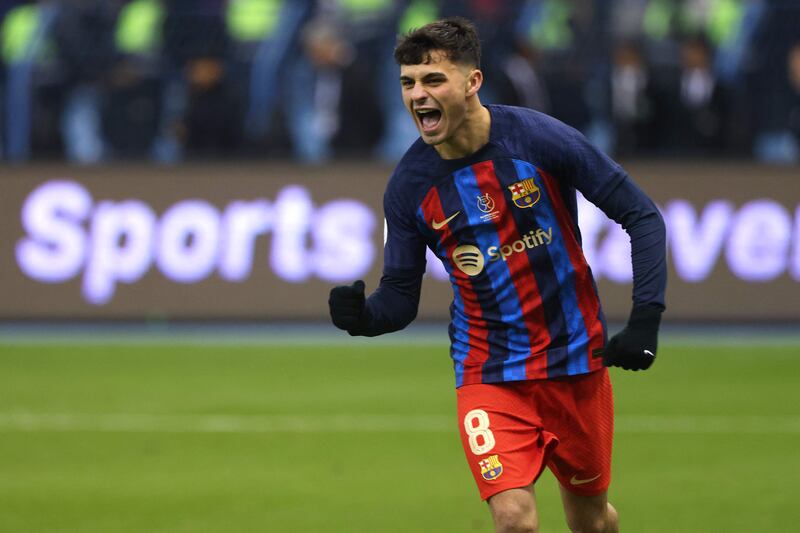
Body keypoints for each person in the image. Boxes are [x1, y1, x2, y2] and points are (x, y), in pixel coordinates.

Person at [328, 17, 666, 533]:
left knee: (591, 521)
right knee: (514, 520)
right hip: (489, 371)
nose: (418, 94)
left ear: (472, 82)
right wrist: (363, 318)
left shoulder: (540, 140)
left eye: (433, 80)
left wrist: (645, 320)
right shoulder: (408, 186)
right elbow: (399, 295)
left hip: (575, 361)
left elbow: (641, 216)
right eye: (408, 83)